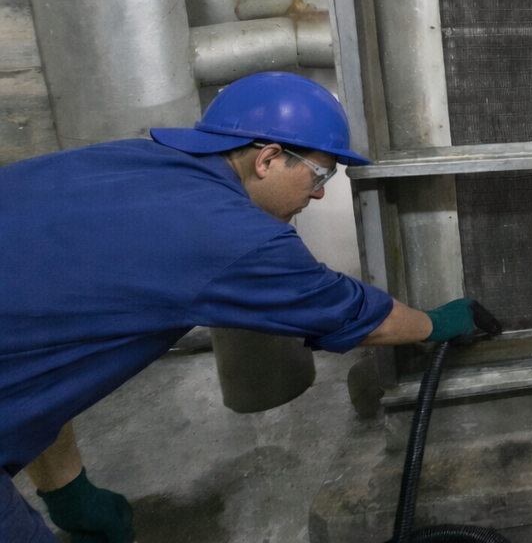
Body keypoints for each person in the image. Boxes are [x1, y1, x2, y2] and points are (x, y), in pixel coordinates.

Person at [0, 72, 500, 543]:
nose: (321, 191)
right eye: (319, 173)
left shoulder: (128, 162)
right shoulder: (231, 235)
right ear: (268, 159)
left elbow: (42, 346)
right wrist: (437, 323)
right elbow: (355, 314)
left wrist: (67, 492)